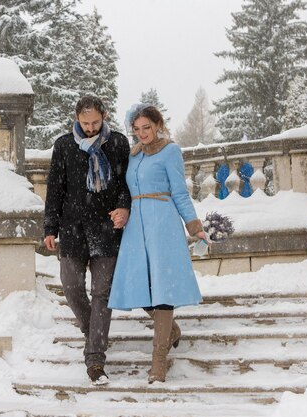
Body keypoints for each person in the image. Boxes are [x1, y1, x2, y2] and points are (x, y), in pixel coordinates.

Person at [108, 104, 209, 384]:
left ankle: (159, 361)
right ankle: (171, 330)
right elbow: (125, 191)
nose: (142, 134)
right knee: (136, 285)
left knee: (162, 290)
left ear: (157, 125)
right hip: (135, 227)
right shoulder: (133, 155)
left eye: (147, 128)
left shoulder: (170, 151)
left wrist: (194, 226)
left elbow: (179, 191)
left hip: (162, 224)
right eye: (137, 129)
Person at [44, 95, 131, 385]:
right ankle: (91, 327)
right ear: (77, 119)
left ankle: (95, 360)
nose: (91, 128)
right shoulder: (64, 145)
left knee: (102, 295)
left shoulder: (117, 143)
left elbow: (125, 183)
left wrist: (123, 207)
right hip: (72, 229)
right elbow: (55, 189)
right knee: (71, 288)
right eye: (85, 123)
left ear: (104, 116)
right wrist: (49, 227)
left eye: (96, 122)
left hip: (107, 229)